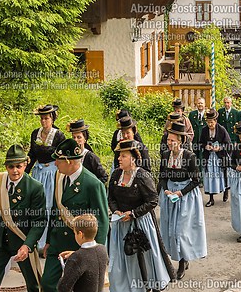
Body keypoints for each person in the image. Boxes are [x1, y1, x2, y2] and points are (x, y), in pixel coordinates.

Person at [41, 139, 109, 292]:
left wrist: (93, 253)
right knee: (47, 284)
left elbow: (102, 222)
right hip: (57, 243)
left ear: (70, 162)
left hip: (79, 247)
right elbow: (55, 210)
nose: (55, 164)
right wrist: (48, 241)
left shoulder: (93, 184)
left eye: (58, 160)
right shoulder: (58, 177)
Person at [0, 144, 46, 292]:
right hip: (2, 241)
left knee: (33, 283)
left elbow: (39, 221)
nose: (15, 170)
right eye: (11, 166)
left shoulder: (35, 187)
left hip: (23, 241)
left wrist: (27, 245)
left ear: (25, 164)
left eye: (19, 166)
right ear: (6, 166)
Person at [109, 140, 174, 291]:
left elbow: (153, 200)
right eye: (119, 155)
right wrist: (116, 211)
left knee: (143, 258)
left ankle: (148, 285)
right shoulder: (116, 174)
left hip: (141, 223)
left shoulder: (142, 176)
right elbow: (110, 197)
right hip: (121, 224)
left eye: (123, 156)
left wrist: (133, 214)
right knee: (123, 257)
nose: (119, 158)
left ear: (133, 158)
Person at [159, 122, 206, 280]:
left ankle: (182, 262)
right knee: (170, 231)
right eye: (168, 140)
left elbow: (196, 180)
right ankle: (180, 259)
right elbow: (162, 175)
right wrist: (165, 189)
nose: (170, 143)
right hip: (170, 194)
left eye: (173, 140)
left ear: (180, 141)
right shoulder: (166, 155)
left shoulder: (189, 157)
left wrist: (181, 192)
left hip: (186, 196)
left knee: (180, 231)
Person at [27, 104, 66, 250]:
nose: (44, 121)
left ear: (52, 118)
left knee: (49, 205)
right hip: (38, 172)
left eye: (46, 118)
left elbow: (62, 155)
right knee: (36, 205)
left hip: (52, 173)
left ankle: (47, 242)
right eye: (42, 118)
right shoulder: (35, 133)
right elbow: (32, 154)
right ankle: (35, 238)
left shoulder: (58, 135)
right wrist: (25, 171)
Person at [57, 214, 108, 292]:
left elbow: (63, 287)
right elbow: (90, 257)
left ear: (80, 234)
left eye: (74, 233)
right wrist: (75, 253)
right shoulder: (102, 250)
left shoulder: (77, 258)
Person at [197, 109, 231, 206]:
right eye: (208, 122)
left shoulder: (221, 129)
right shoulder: (204, 130)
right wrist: (205, 146)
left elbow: (228, 144)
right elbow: (200, 143)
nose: (210, 124)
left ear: (215, 121)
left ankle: (225, 190)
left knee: (223, 175)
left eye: (211, 122)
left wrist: (220, 148)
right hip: (209, 157)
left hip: (219, 157)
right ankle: (211, 198)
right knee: (209, 176)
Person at [67, 119, 109, 184]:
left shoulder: (90, 157)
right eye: (74, 137)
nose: (76, 140)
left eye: (79, 137)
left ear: (85, 139)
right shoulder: (69, 156)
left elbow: (104, 177)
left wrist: (91, 187)